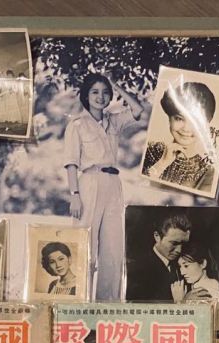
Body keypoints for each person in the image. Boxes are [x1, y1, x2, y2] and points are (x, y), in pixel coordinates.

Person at [64, 72, 143, 301]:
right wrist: (74, 194)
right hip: (89, 183)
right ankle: (80, 302)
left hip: (113, 184)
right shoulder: (77, 125)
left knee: (113, 249)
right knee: (85, 245)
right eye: (95, 92)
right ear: (86, 95)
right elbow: (71, 163)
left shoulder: (114, 121)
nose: (101, 97)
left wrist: (117, 86)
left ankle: (106, 306)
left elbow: (138, 110)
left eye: (105, 92)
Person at [142, 80, 217, 194]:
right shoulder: (150, 151)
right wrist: (162, 163)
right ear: (169, 118)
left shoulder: (207, 173)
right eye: (179, 118)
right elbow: (137, 189)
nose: (186, 128)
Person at [125, 212, 190, 302]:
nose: (179, 250)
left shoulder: (184, 264)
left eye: (183, 244)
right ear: (157, 236)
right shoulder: (137, 270)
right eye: (174, 243)